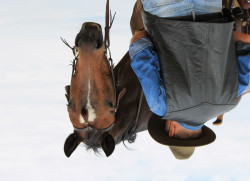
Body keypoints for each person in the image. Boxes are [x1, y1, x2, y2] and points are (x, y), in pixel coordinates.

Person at [129, 0, 250, 159]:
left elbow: (245, 45)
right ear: (171, 130)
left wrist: (222, 36)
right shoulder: (160, 106)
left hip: (210, 6)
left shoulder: (229, 102)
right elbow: (139, 43)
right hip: (163, 8)